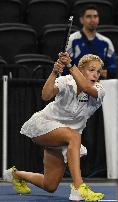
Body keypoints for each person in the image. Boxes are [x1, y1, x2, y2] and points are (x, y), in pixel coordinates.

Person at [3, 52, 105, 201]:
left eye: (98, 71)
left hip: (64, 139)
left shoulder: (99, 90)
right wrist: (54, 72)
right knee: (74, 136)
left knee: (49, 185)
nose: (95, 74)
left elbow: (86, 87)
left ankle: (15, 175)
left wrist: (70, 65)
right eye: (91, 70)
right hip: (43, 126)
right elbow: (45, 95)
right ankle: (78, 187)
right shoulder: (66, 81)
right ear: (81, 70)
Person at [67, 4, 116, 78]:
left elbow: (113, 66)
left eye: (95, 16)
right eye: (88, 16)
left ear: (98, 19)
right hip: (77, 84)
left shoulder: (106, 42)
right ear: (81, 20)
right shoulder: (71, 40)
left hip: (100, 85)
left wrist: (103, 72)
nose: (92, 19)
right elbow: (66, 66)